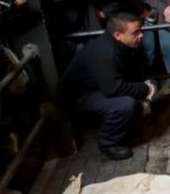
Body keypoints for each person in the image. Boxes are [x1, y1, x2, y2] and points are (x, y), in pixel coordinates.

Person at [59, 13, 157, 160]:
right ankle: (108, 142)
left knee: (138, 91)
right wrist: (146, 89)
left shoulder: (122, 45)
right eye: (135, 33)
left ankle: (127, 125)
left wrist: (148, 82)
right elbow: (113, 89)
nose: (141, 35)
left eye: (141, 30)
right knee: (124, 104)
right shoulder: (106, 53)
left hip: (101, 86)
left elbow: (135, 71)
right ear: (118, 35)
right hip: (78, 97)